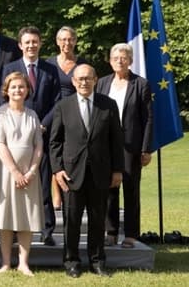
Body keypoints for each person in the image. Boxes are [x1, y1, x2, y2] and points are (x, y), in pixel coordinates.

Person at [50, 64, 124, 278]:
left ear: (95, 80)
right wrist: (57, 170)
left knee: (97, 219)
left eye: (88, 78)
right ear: (73, 81)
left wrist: (118, 170)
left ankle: (97, 262)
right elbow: (55, 142)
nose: (84, 82)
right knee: (71, 221)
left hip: (101, 173)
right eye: (80, 78)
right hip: (71, 174)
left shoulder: (108, 105)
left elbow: (116, 140)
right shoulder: (63, 106)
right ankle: (71, 262)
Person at [0, 26, 61, 246]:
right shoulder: (10, 68)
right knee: (16, 184)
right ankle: (16, 230)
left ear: (40, 43)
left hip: (41, 134)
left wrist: (41, 125)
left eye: (35, 42)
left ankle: (46, 231)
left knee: (43, 183)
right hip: (15, 138)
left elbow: (57, 102)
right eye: (27, 42)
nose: (31, 46)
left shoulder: (50, 69)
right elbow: (3, 99)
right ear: (20, 45)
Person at [0, 72, 44, 276]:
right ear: (6, 90)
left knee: (26, 217)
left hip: (29, 174)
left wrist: (30, 171)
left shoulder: (33, 115)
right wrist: (15, 171)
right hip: (6, 173)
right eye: (14, 87)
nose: (18, 90)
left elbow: (38, 145)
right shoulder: (0, 113)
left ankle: (23, 263)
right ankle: (5, 262)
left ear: (27, 90)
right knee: (6, 217)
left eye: (22, 87)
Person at [97, 44, 153, 248]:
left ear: (130, 60)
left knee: (130, 188)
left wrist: (146, 149)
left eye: (124, 57)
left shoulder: (141, 84)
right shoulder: (102, 83)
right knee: (109, 188)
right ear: (110, 60)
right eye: (115, 57)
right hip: (106, 144)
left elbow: (148, 119)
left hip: (131, 146)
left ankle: (131, 234)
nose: (119, 60)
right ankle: (110, 232)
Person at [45, 26, 87, 210]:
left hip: (77, 112)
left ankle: (74, 189)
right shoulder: (48, 63)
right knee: (55, 150)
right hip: (54, 112)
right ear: (57, 41)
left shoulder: (83, 63)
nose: (66, 43)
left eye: (70, 39)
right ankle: (56, 194)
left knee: (73, 152)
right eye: (63, 39)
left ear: (75, 41)